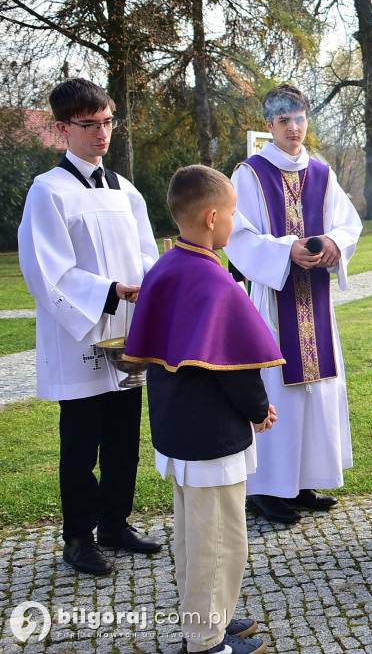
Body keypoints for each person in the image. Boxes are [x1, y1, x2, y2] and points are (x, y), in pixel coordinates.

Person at [125, 165, 284, 654]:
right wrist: (260, 409)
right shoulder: (212, 283)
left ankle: (215, 614)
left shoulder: (166, 267)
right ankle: (206, 640)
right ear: (213, 217)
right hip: (211, 437)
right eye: (233, 214)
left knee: (195, 536)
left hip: (178, 428)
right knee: (219, 540)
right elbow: (235, 367)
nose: (234, 223)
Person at [18, 78, 161, 576]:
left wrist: (141, 285)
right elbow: (44, 267)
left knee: (124, 434)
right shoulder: (48, 190)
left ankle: (115, 523)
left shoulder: (125, 189)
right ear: (63, 128)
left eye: (107, 122)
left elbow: (148, 251)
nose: (102, 134)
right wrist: (107, 291)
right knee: (80, 442)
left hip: (127, 332)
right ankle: (78, 537)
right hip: (79, 331)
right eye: (89, 125)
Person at [225, 84, 363, 524]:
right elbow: (237, 235)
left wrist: (334, 245)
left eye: (299, 118)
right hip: (272, 302)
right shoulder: (249, 174)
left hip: (315, 304)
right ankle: (266, 489)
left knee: (315, 393)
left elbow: (348, 223)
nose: (293, 128)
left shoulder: (322, 173)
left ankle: (302, 483)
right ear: (269, 125)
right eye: (283, 120)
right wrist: (287, 250)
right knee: (276, 389)